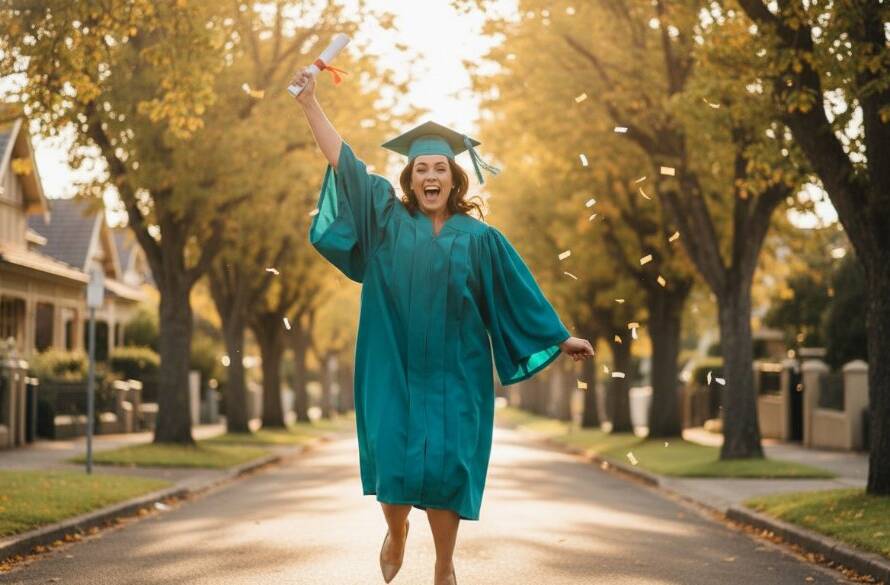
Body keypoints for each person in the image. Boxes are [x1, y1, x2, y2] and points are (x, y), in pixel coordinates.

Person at [291, 67, 594, 585]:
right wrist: (310, 103)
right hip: (392, 365)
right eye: (420, 168)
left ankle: (445, 563)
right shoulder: (385, 222)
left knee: (449, 466)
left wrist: (558, 336)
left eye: (440, 169)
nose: (430, 176)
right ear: (408, 179)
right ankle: (396, 529)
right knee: (394, 458)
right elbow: (346, 164)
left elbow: (515, 292)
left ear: (455, 180)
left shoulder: (480, 240)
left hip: (457, 370)